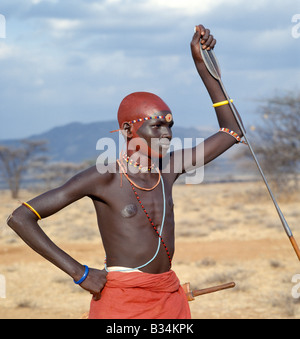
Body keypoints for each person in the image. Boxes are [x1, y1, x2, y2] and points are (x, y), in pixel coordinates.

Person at [7, 25, 244, 319]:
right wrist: (79, 273)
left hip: (168, 296)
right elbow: (20, 218)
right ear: (128, 130)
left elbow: (232, 131)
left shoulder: (168, 169)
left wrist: (202, 66)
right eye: (156, 125)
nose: (167, 133)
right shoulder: (103, 177)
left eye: (169, 125)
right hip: (121, 301)